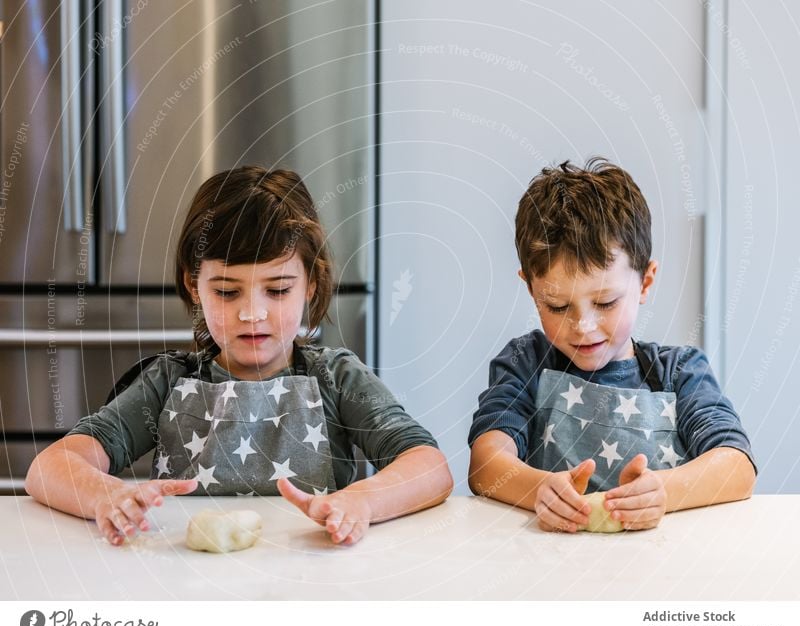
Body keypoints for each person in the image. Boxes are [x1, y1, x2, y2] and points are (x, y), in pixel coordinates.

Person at [26, 166, 453, 546]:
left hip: (314, 589)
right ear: (194, 286)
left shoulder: (337, 378)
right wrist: (107, 495)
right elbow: (50, 467)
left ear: (311, 284)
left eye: (278, 290)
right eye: (227, 292)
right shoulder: (168, 383)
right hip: (186, 587)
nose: (252, 313)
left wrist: (362, 502)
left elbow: (429, 467)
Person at [468, 158, 756, 532]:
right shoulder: (527, 362)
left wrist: (664, 492)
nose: (583, 327)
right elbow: (485, 463)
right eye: (557, 306)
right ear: (530, 289)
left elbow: (736, 465)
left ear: (645, 284)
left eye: (605, 303)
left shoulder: (679, 372)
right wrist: (537, 489)